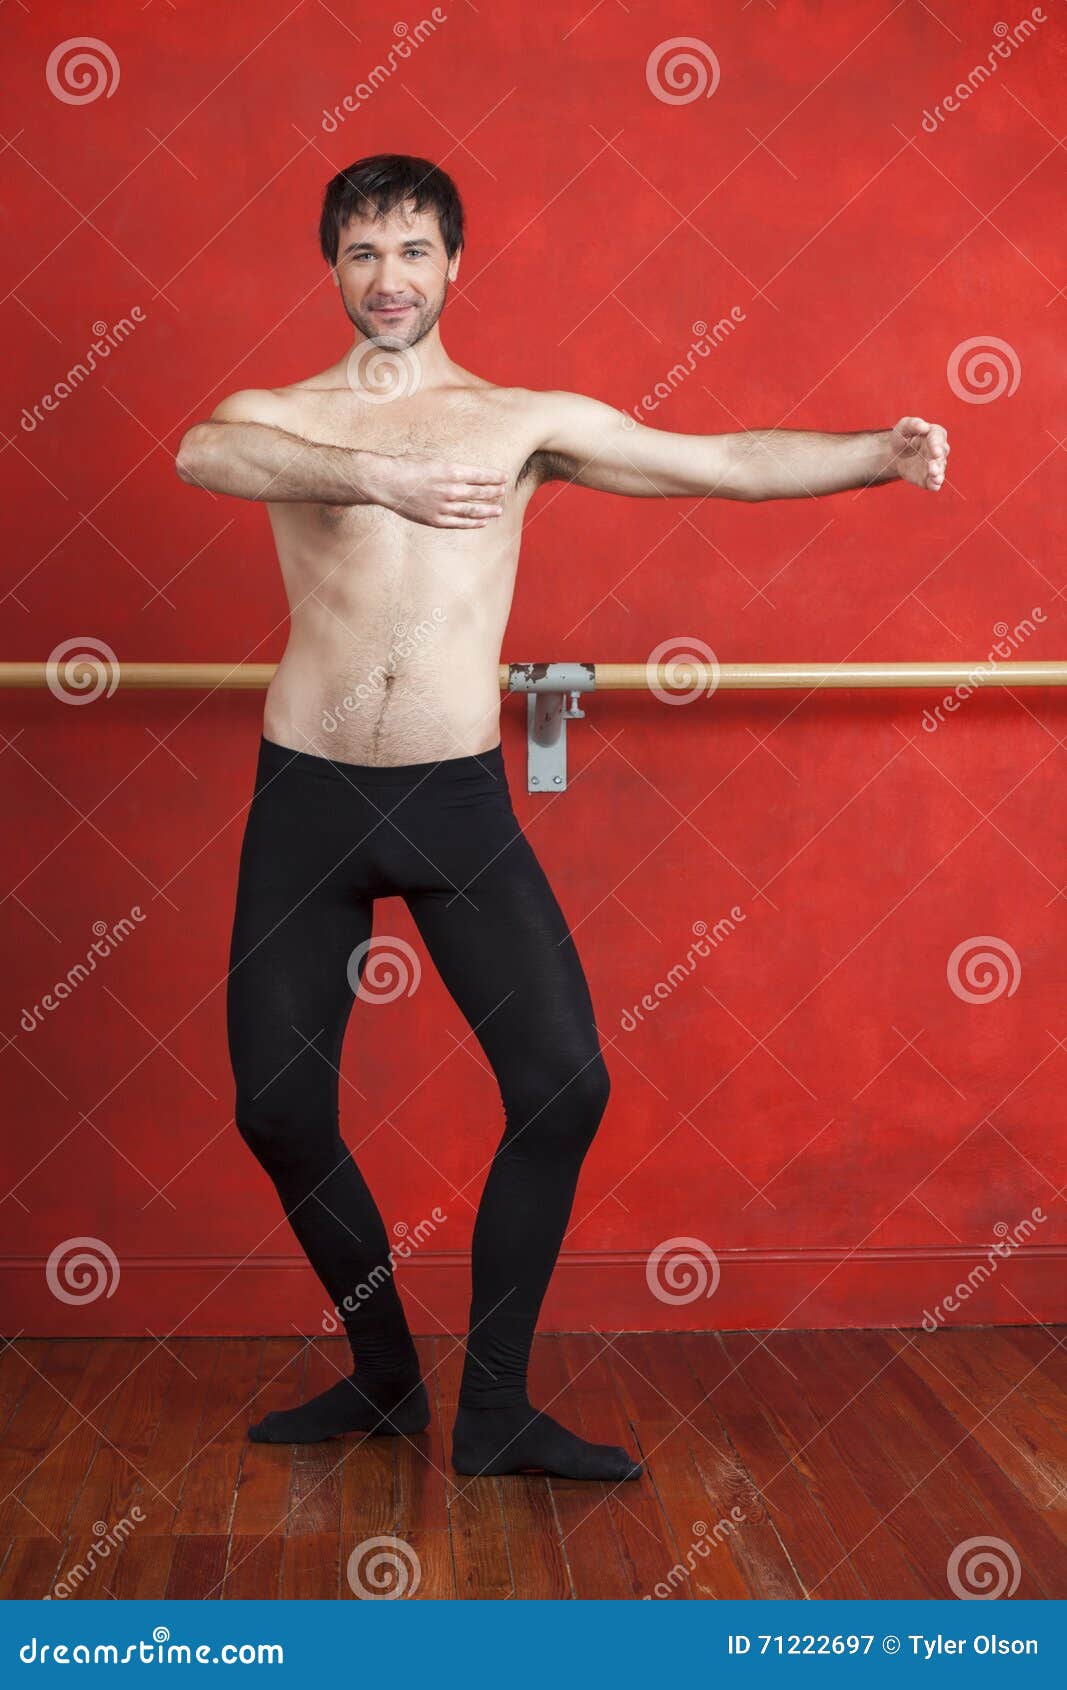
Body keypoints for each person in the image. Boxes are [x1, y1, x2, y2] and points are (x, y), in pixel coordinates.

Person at [175, 153, 949, 1481]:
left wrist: (879, 455)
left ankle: (493, 1408)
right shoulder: (281, 419)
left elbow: (723, 462)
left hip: (454, 798)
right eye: (362, 252)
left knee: (562, 1083)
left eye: (413, 249)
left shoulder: (520, 421)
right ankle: (383, 1376)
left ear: (453, 263)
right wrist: (381, 478)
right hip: (309, 795)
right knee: (277, 1108)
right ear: (333, 268)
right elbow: (204, 449)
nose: (388, 277)